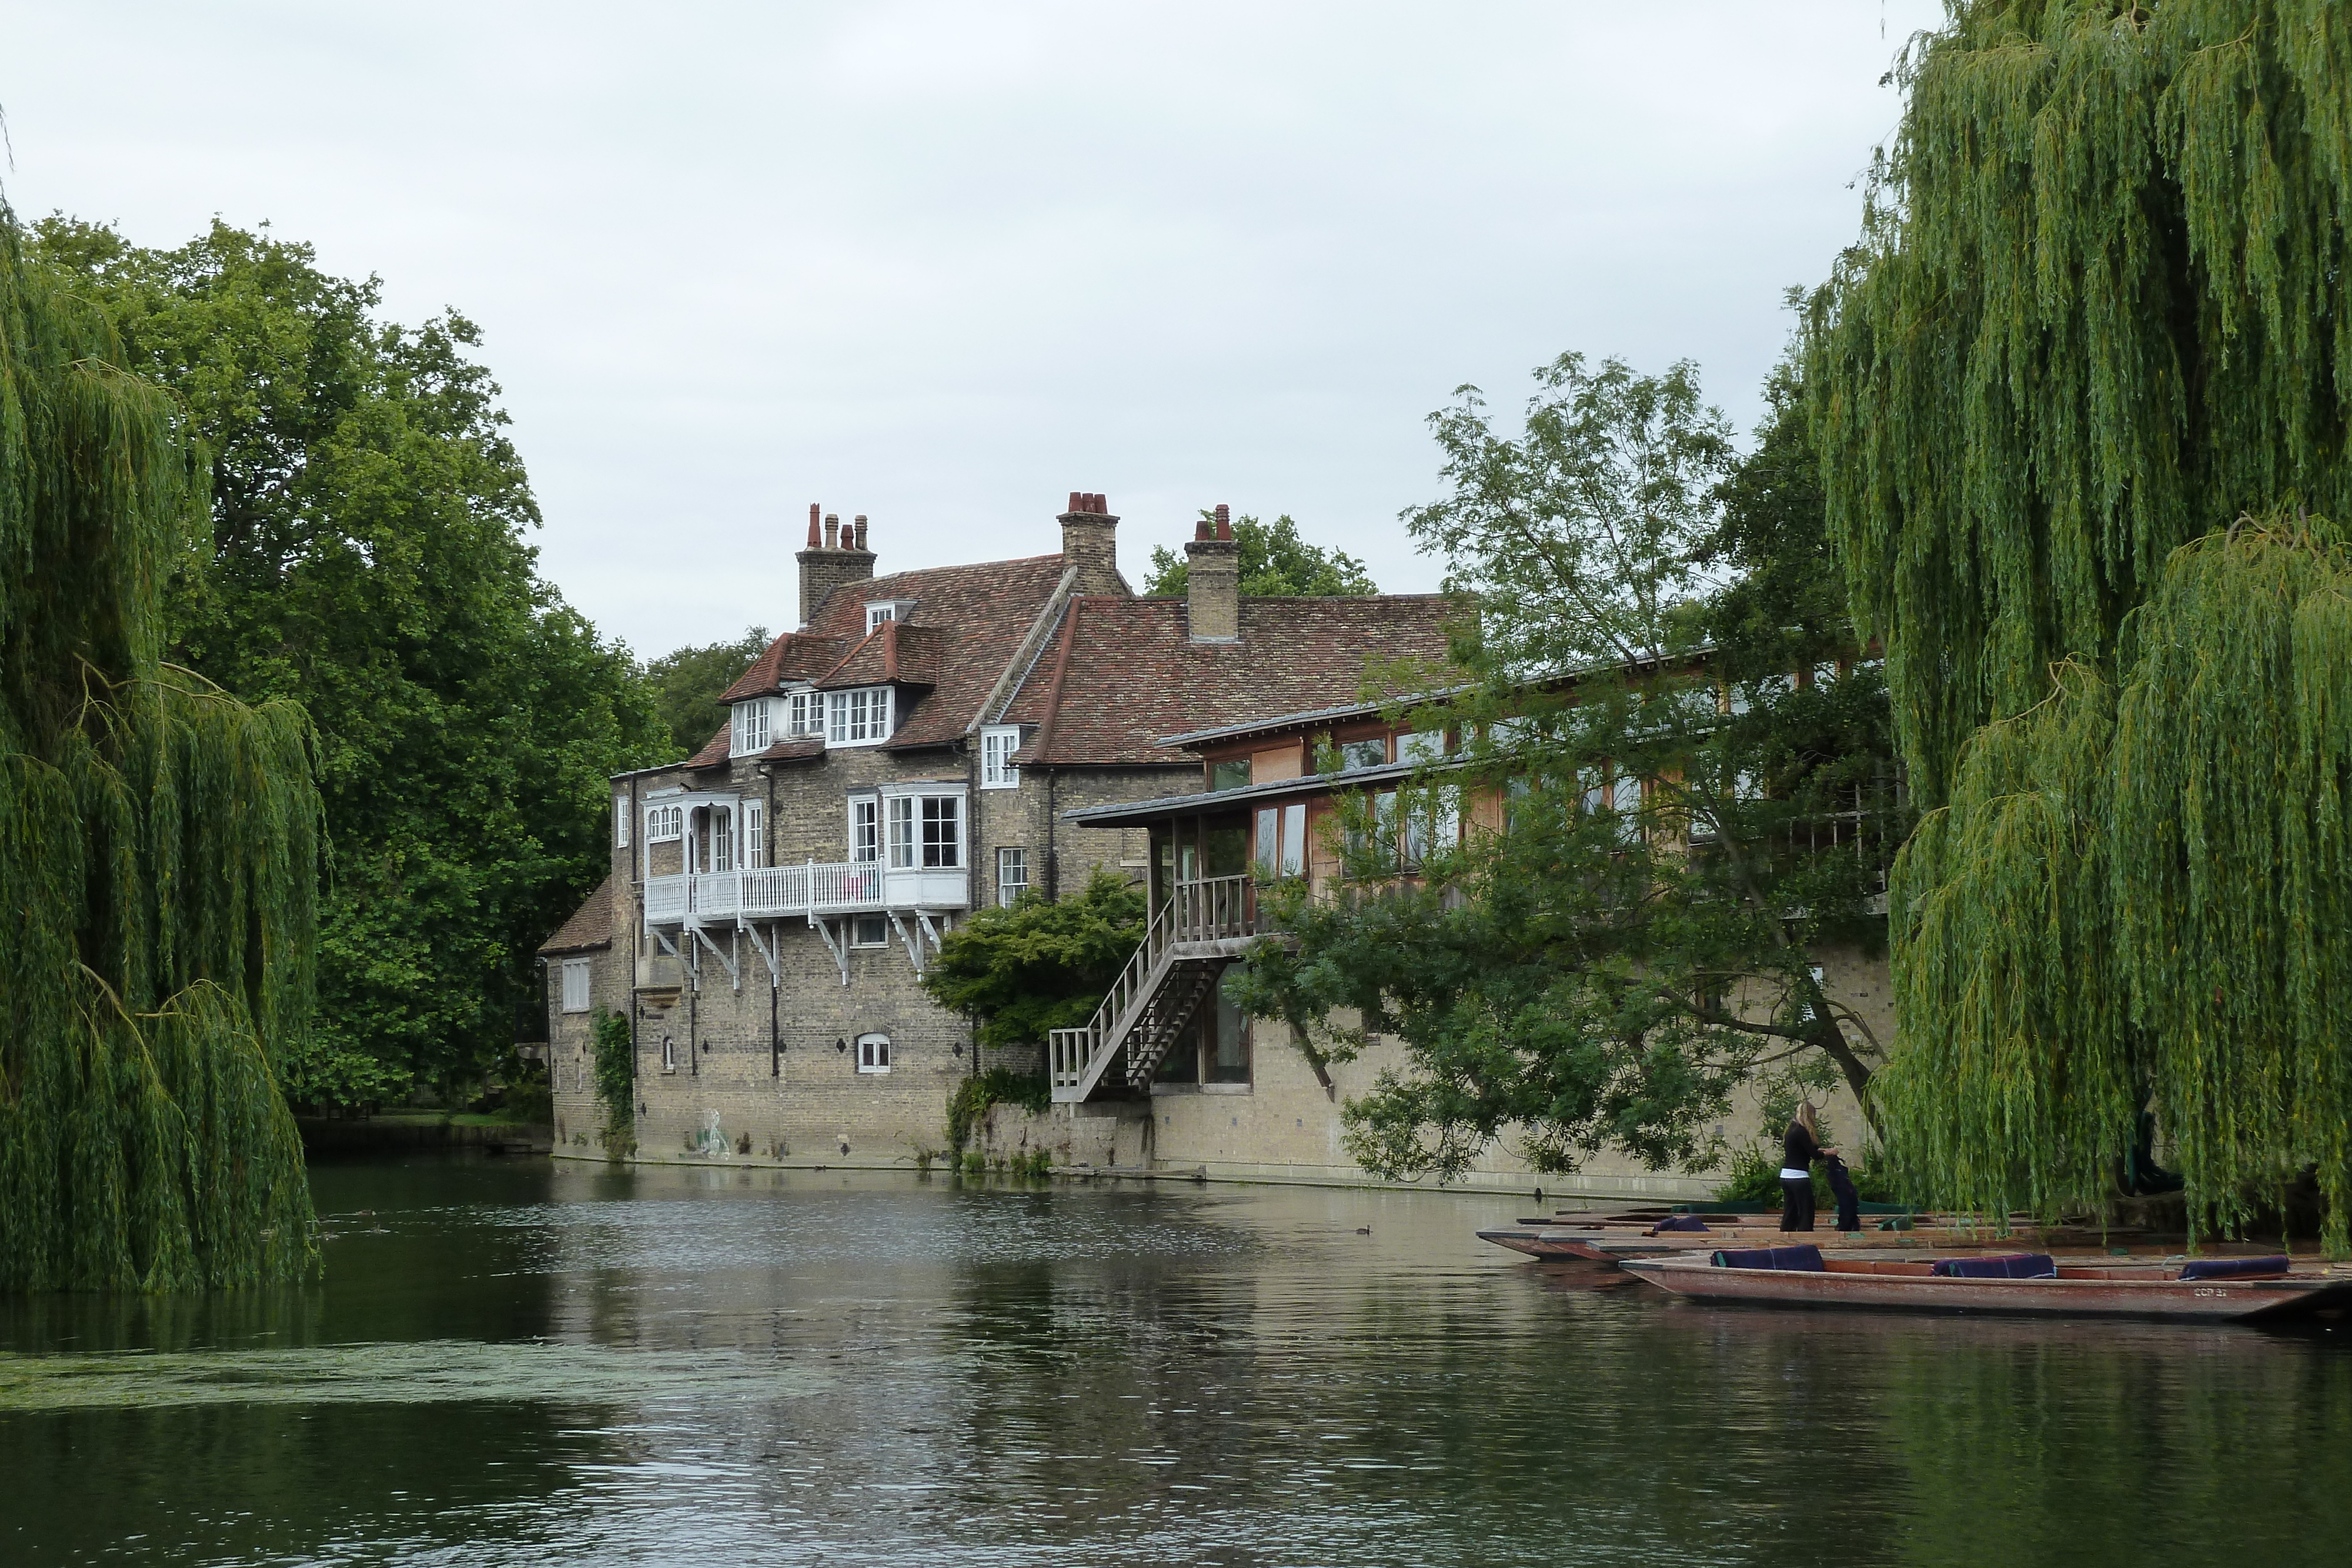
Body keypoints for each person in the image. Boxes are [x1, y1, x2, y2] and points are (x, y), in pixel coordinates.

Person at [1779, 1101, 1839, 1233]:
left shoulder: (1791, 1129)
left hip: (1785, 1175)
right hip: (1798, 1177)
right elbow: (1814, 1155)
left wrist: (1821, 1150)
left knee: (1791, 1208)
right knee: (1807, 1209)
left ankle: (1786, 1233)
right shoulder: (1802, 1132)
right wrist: (1828, 1153)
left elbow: (1805, 1150)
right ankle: (1804, 1235)